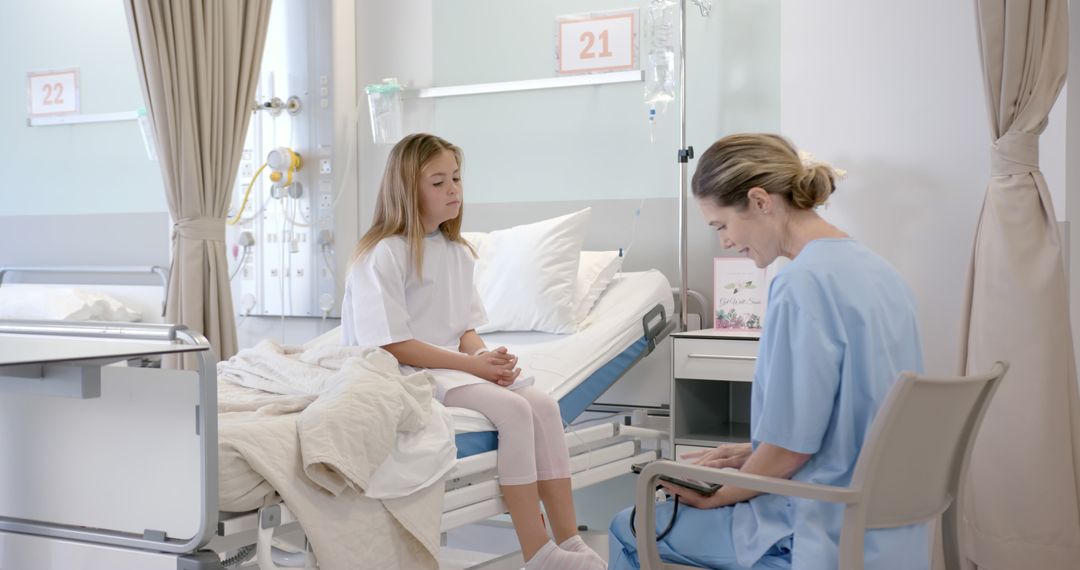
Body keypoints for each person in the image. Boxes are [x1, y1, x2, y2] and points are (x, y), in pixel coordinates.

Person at [608, 133, 930, 569]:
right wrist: (750, 452)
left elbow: (791, 450)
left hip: (819, 527)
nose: (723, 241)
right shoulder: (882, 275)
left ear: (760, 201)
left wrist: (718, 493)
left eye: (721, 225)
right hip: (892, 529)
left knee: (629, 524)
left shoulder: (800, 286)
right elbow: (849, 420)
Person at [342, 133, 605, 569]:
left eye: (457, 179)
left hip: (451, 365)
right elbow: (392, 342)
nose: (454, 191)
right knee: (514, 412)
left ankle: (569, 539)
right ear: (408, 189)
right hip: (404, 370)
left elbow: (463, 326)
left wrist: (488, 359)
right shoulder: (383, 254)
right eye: (439, 182)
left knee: (541, 403)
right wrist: (471, 366)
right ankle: (536, 550)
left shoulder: (457, 251)